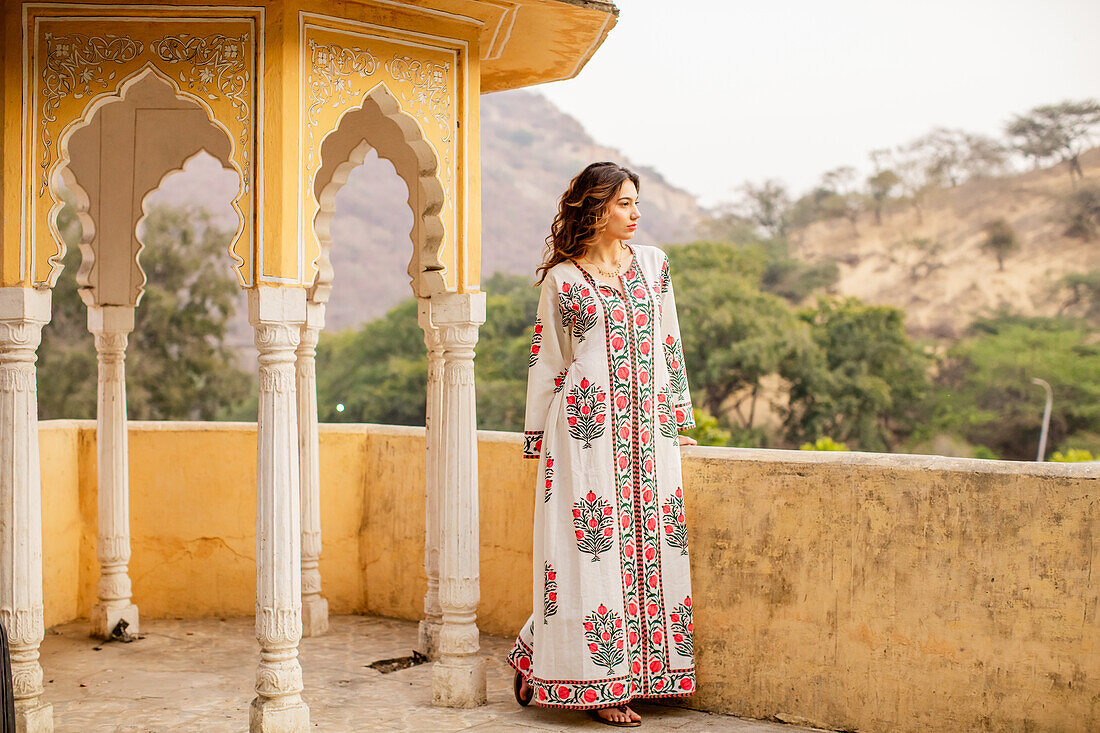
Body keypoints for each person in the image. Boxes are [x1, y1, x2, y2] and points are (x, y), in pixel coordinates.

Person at [508, 162, 698, 727]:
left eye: (637, 203)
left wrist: (677, 416)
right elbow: (548, 362)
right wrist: (539, 439)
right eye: (624, 204)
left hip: (648, 433)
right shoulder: (563, 281)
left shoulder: (655, 266)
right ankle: (599, 687)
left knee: (651, 553)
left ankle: (634, 672)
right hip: (585, 437)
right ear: (596, 208)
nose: (635, 214)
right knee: (590, 554)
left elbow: (669, 340)